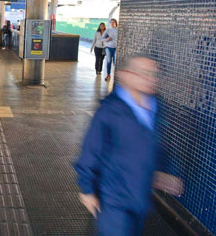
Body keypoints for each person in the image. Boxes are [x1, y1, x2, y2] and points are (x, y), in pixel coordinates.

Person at [74, 55, 183, 236]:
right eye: (144, 73)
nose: (151, 79)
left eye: (155, 74)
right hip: (113, 199)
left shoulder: (156, 106)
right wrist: (87, 190)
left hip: (139, 197)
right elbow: (90, 151)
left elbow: (155, 146)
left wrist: (164, 171)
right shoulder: (110, 110)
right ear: (125, 75)